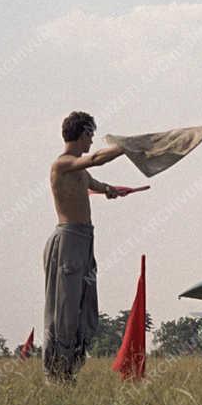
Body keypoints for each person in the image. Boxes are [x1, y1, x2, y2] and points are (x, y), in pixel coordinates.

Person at [43, 111, 144, 383]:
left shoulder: (79, 171)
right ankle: (57, 375)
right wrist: (126, 146)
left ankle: (70, 370)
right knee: (64, 312)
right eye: (90, 134)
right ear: (83, 132)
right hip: (68, 242)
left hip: (85, 242)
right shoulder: (62, 164)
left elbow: (98, 184)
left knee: (84, 310)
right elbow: (97, 159)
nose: (91, 141)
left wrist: (114, 190)